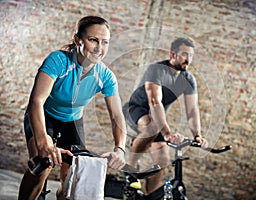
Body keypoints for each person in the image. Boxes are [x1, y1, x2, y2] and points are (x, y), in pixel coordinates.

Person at [18, 15, 127, 200]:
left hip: (72, 122)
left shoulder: (106, 76)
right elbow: (36, 101)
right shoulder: (58, 60)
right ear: (78, 40)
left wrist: (120, 149)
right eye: (93, 40)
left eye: (105, 42)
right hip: (45, 116)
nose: (100, 48)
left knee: (74, 178)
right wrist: (44, 142)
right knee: (44, 164)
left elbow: (117, 115)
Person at [124, 37, 208, 194]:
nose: (188, 59)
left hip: (157, 119)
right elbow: (155, 101)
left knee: (162, 159)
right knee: (152, 126)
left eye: (191, 55)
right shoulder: (157, 70)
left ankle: (150, 195)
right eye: (184, 54)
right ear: (173, 54)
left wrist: (198, 135)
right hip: (135, 110)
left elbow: (192, 110)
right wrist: (167, 133)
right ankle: (130, 170)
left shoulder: (188, 79)